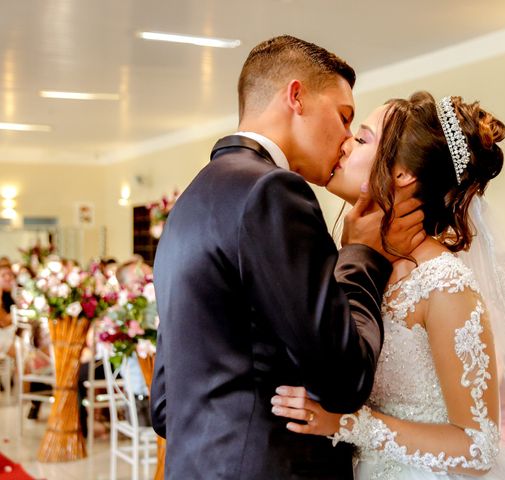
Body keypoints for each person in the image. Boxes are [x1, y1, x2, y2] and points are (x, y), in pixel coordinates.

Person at [271, 93, 505, 479]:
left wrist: (348, 424)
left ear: (403, 175)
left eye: (363, 138)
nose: (345, 142)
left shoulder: (443, 283)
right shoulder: (352, 262)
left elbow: (475, 447)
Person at [150, 35, 425, 480]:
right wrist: (359, 255)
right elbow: (344, 380)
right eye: (343, 118)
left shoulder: (190, 201)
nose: (345, 142)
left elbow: (164, 406)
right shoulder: (273, 191)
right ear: (296, 97)